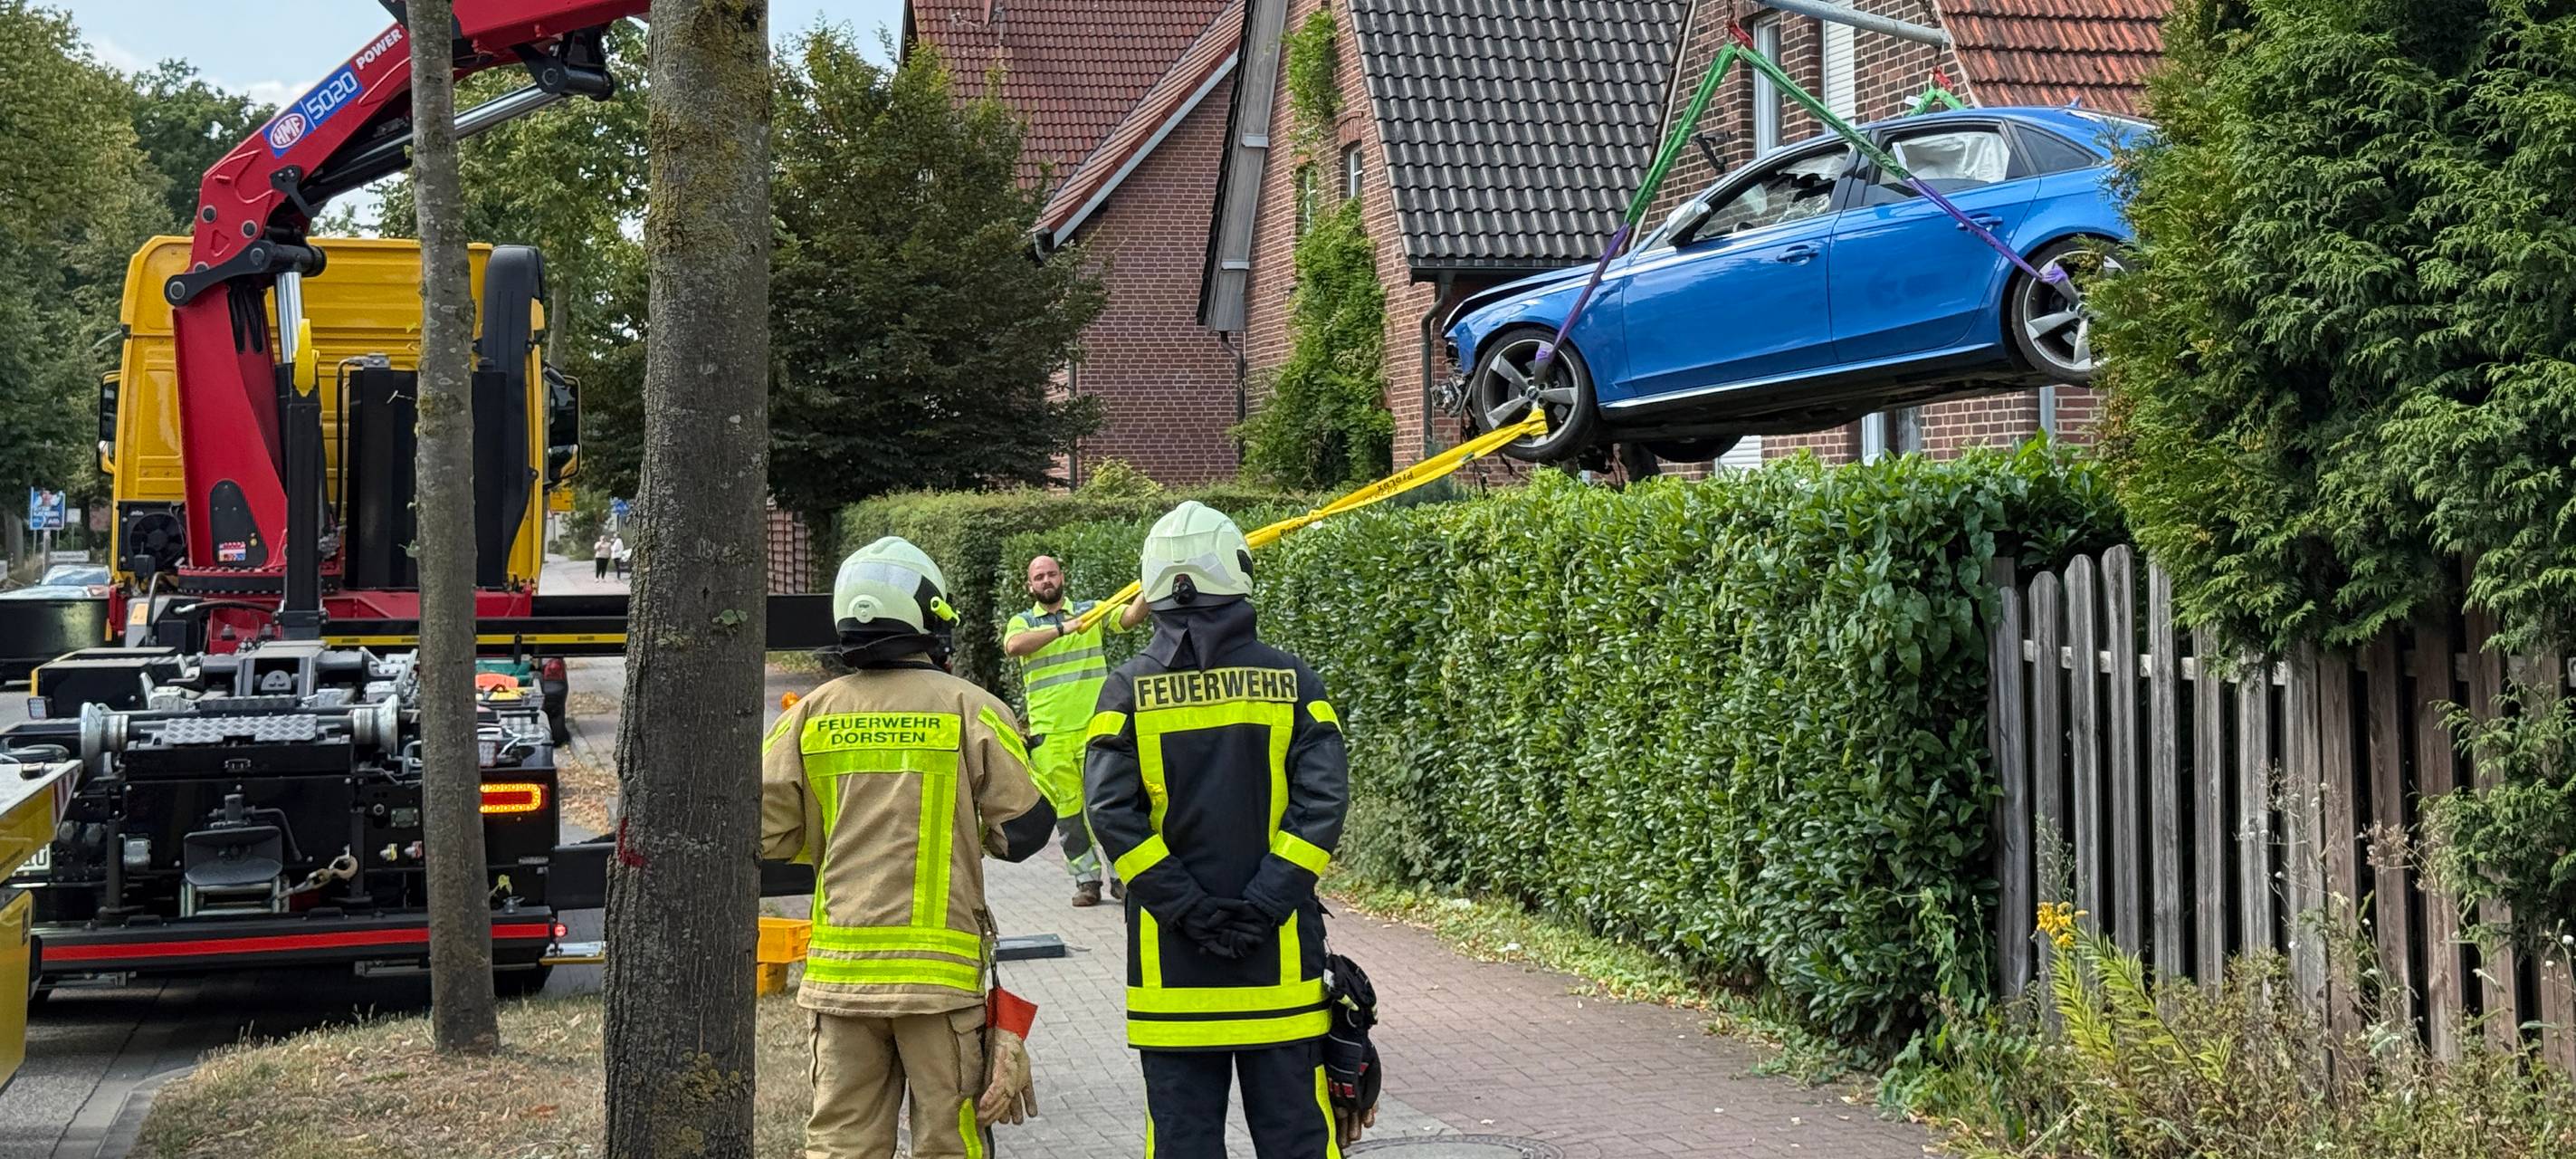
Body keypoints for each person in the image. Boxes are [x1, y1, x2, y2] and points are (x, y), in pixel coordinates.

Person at [1084, 502, 1366, 1158]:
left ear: (1153, 584)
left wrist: (1187, 910)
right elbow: (1323, 804)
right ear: (1236, 572)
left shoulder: (1126, 690)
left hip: (1171, 973)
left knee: (1181, 1143)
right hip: (1279, 963)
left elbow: (1110, 812)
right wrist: (1265, 905)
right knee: (1298, 1140)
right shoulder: (1292, 681)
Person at [761, 536, 1056, 1159]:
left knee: (841, 1144)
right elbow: (1025, 833)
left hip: (841, 980)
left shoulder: (806, 717)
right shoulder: (971, 710)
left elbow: (767, 836)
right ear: (930, 616)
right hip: (937, 985)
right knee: (949, 1143)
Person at [1000, 554, 1146, 906]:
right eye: (1039, 577)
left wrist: (1152, 584)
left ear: (1062, 577)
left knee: (1107, 807)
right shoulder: (1022, 623)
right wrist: (1064, 629)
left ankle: (1121, 878)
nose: (1046, 580)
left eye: (1051, 574)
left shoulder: (1091, 611)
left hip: (1094, 727)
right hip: (1051, 736)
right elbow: (1013, 646)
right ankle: (1086, 881)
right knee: (1068, 816)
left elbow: (1129, 618)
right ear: (1030, 586)